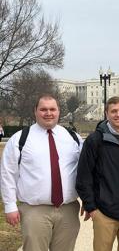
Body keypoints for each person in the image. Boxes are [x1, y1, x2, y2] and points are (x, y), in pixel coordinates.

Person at [0, 94, 83, 251]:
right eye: (43, 109)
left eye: (52, 109)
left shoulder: (73, 138)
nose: (48, 113)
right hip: (34, 210)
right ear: (35, 111)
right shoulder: (20, 139)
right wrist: (10, 205)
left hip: (68, 209)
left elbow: (84, 171)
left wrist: (87, 199)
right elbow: (8, 173)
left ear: (59, 111)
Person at [76, 96, 119, 251]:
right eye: (114, 111)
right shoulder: (95, 141)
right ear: (106, 113)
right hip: (103, 213)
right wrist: (92, 208)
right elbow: (83, 177)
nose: (118, 115)